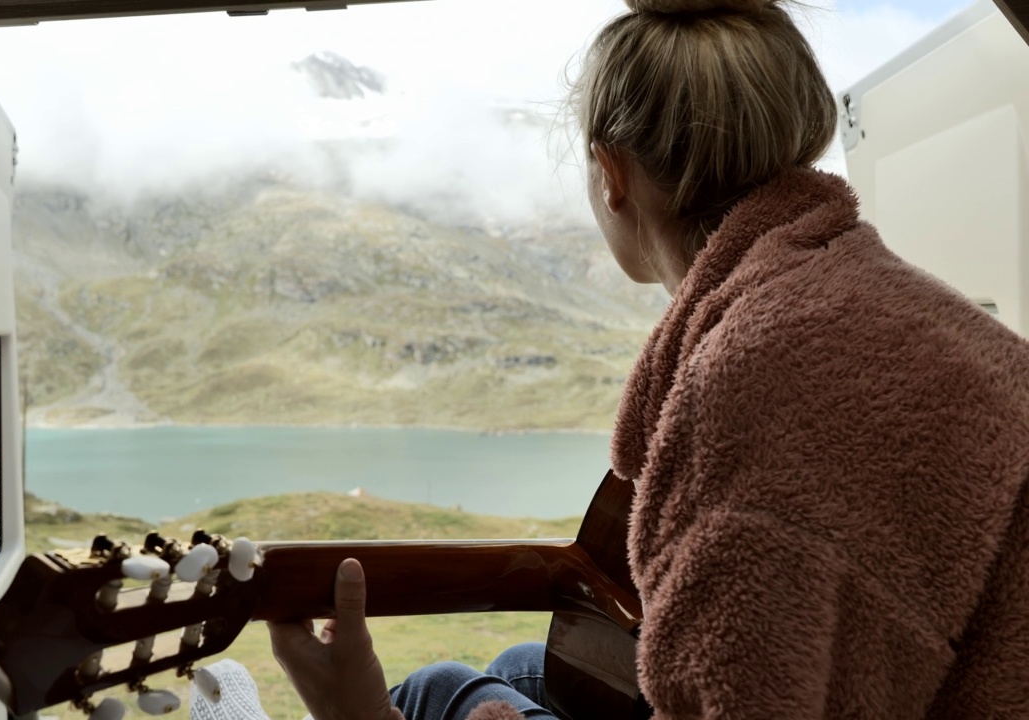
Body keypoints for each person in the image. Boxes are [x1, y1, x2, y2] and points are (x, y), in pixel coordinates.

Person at [269, 0, 1029, 717]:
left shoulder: (755, 382)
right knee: (528, 668)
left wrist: (359, 713)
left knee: (436, 689)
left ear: (614, 173)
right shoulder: (873, 294)